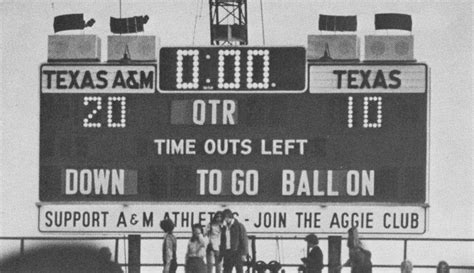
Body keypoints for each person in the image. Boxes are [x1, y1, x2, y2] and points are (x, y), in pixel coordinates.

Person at [220, 208, 249, 273]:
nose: (225, 220)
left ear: (228, 217)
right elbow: (222, 241)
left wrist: (244, 253)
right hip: (227, 252)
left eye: (225, 218)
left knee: (239, 270)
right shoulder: (224, 227)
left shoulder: (239, 226)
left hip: (237, 252)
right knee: (226, 270)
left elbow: (244, 240)